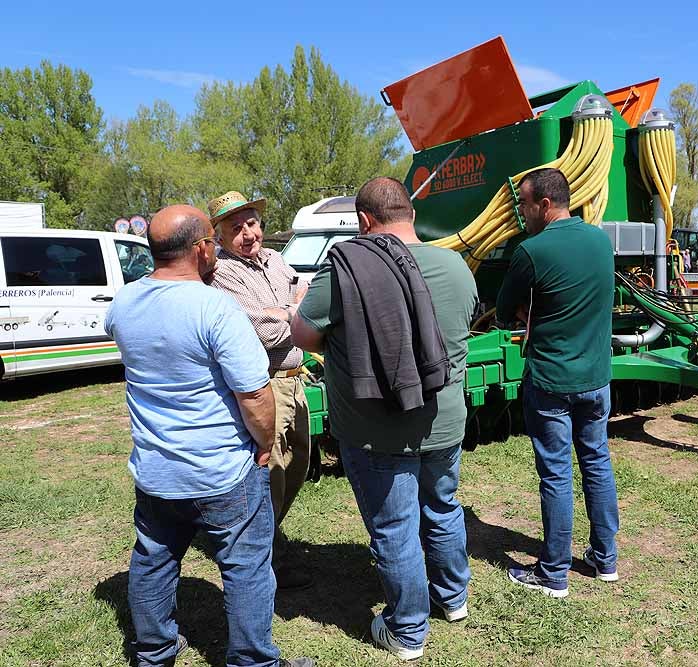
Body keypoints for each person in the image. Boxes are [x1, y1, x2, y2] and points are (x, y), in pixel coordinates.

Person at [105, 204, 312, 667]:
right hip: (222, 472)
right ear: (201, 248)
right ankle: (253, 660)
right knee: (246, 568)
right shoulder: (215, 307)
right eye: (214, 241)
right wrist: (263, 444)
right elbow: (255, 395)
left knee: (154, 561)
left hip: (156, 470)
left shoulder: (124, 303)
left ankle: (154, 652)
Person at [291, 177, 478, 660]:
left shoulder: (347, 268)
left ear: (364, 222)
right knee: (442, 507)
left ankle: (407, 630)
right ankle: (453, 598)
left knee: (395, 527)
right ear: (411, 216)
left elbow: (303, 335)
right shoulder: (457, 266)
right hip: (444, 420)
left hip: (377, 429)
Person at [496, 167, 620, 598]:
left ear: (545, 205)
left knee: (555, 473)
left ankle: (554, 574)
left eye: (525, 205)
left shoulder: (531, 251)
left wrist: (528, 318)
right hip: (596, 378)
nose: (522, 213)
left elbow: (502, 308)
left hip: (550, 380)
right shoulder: (602, 242)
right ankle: (605, 560)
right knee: (597, 462)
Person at [205, 191, 313, 591]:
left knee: (296, 467)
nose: (247, 234)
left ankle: (268, 548)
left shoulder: (275, 259)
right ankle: (264, 563)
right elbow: (262, 332)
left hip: (295, 381)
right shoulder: (221, 274)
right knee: (270, 475)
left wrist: (289, 310)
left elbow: (307, 291)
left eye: (251, 224)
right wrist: (293, 313)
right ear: (219, 237)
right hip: (264, 385)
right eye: (235, 229)